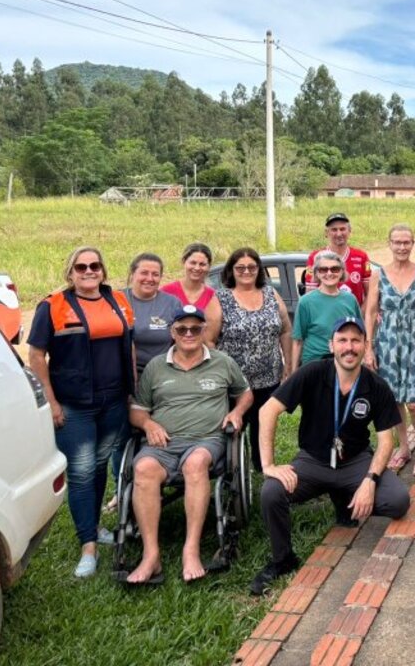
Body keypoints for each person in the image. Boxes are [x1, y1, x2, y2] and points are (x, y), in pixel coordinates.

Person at [251, 317, 410, 596]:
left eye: (355, 340)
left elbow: (386, 439)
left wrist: (370, 481)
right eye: (343, 340)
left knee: (398, 501)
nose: (349, 347)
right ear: (331, 345)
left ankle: (344, 498)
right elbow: (267, 411)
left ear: (365, 345)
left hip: (356, 462)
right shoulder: (312, 372)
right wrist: (269, 465)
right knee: (271, 492)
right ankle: (283, 559)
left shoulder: (376, 385)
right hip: (312, 461)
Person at [27, 246, 135, 578]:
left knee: (100, 465)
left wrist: (132, 393)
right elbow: (35, 355)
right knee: (81, 472)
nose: (89, 271)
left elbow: (128, 346)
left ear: (103, 270)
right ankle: (87, 545)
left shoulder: (118, 300)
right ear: (70, 273)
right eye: (81, 266)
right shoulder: (53, 306)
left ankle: (93, 526)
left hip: (113, 401)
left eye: (95, 265)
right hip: (75, 405)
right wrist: (51, 401)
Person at [124, 305, 252, 584]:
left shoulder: (222, 362)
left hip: (208, 440)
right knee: (143, 468)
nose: (189, 333)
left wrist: (236, 412)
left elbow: (245, 394)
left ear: (204, 330)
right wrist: (148, 424)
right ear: (173, 332)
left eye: (196, 328)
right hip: (164, 443)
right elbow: (137, 410)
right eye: (182, 329)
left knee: (195, 465)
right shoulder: (156, 367)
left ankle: (190, 549)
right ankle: (151, 555)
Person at [104, 252, 183, 515]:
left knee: (157, 429)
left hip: (161, 378)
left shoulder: (170, 304)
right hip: (124, 378)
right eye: (144, 273)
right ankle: (121, 489)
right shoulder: (116, 300)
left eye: (155, 274)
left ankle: (154, 479)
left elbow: (184, 337)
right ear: (132, 274)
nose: (150, 278)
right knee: (122, 437)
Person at [213, 247, 293, 472]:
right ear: (231, 270)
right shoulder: (221, 298)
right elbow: (209, 340)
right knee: (234, 426)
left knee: (264, 424)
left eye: (252, 267)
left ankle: (262, 465)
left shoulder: (270, 294)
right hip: (234, 381)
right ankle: (231, 468)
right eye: (240, 267)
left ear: (259, 270)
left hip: (269, 376)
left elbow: (286, 330)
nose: (246, 271)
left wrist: (287, 364)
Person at [364, 224, 415, 475]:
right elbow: (371, 311)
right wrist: (368, 348)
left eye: (406, 242)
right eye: (397, 242)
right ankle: (404, 447)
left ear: (413, 244)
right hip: (388, 343)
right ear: (390, 244)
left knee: (414, 403)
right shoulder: (378, 275)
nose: (402, 247)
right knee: (394, 400)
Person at [290, 250, 363, 371]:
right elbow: (298, 341)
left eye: (334, 269)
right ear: (317, 273)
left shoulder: (350, 299)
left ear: (341, 272)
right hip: (314, 364)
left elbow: (360, 334)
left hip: (344, 363)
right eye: (323, 269)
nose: (329, 273)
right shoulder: (306, 302)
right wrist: (294, 374)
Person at [303, 213, 371, 307]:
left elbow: (370, 294)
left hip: (353, 318)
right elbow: (310, 294)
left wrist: (359, 316)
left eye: (342, 229)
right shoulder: (315, 257)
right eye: (334, 230)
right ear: (326, 233)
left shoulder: (361, 257)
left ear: (349, 231)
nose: (339, 234)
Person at [161, 242, 221, 338]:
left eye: (202, 264)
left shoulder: (213, 296)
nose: (197, 268)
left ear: (209, 266)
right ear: (184, 262)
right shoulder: (166, 292)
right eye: (193, 263)